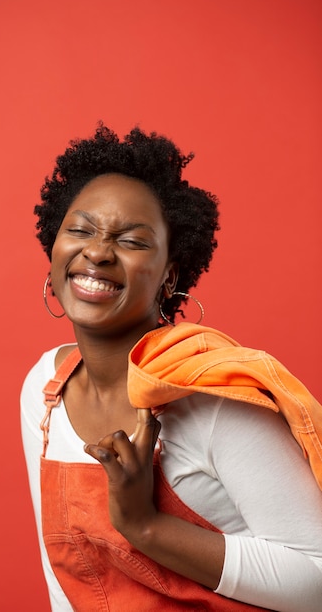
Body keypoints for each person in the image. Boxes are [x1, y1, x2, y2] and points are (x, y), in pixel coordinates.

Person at [21, 124, 322, 611]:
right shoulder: (45, 392)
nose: (96, 252)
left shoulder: (211, 400)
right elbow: (66, 579)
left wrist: (147, 527)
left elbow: (317, 577)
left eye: (132, 241)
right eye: (79, 230)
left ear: (170, 277)